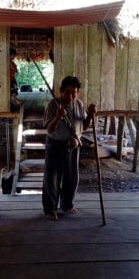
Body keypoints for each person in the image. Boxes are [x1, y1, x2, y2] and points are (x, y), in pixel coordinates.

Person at [42, 76, 96, 220]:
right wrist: (58, 117)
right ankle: (50, 209)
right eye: (67, 92)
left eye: (74, 92)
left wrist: (90, 116)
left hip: (74, 147)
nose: (71, 96)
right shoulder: (54, 105)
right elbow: (49, 129)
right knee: (52, 178)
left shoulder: (79, 104)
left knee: (72, 177)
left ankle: (66, 204)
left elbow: (83, 126)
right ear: (61, 91)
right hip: (56, 145)